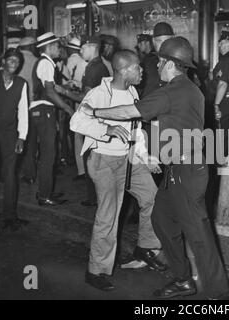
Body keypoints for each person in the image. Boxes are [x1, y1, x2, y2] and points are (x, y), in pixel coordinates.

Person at [81, 37, 229, 300]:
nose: (157, 66)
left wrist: (95, 112)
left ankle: (219, 293)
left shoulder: (172, 91)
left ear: (171, 64)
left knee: (199, 233)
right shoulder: (190, 88)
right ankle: (183, 278)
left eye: (160, 61)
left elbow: (130, 111)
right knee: (161, 219)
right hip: (177, 168)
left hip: (187, 170)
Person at [70, 49, 166, 291]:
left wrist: (147, 157)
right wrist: (106, 130)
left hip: (129, 158)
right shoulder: (98, 93)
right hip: (104, 161)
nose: (143, 71)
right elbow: (77, 121)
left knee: (152, 198)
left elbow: (136, 131)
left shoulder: (132, 91)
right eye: (138, 68)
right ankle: (96, 270)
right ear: (124, 71)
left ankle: (145, 247)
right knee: (108, 216)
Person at [58, 36, 110, 207]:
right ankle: (96, 196)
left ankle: (94, 198)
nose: (80, 51)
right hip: (97, 115)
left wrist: (62, 91)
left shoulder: (95, 68)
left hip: (93, 118)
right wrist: (78, 84)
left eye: (82, 48)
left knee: (91, 159)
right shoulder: (97, 65)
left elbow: (85, 97)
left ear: (91, 47)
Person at [24, 32, 73, 206]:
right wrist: (68, 108)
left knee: (46, 154)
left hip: (40, 110)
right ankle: (44, 195)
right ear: (50, 47)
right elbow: (50, 92)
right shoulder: (46, 63)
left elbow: (54, 88)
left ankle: (45, 190)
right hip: (44, 110)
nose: (59, 49)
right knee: (48, 155)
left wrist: (69, 93)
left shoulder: (45, 63)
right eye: (58, 46)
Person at [0, 48, 29, 231]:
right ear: (3, 61)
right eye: (11, 60)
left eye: (17, 61)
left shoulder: (21, 84)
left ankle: (9, 215)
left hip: (10, 133)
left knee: (10, 174)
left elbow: (23, 112)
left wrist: (21, 137)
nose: (14, 64)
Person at [65, 37, 87, 181]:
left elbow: (74, 84)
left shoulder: (74, 60)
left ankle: (81, 170)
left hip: (80, 101)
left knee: (78, 135)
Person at [17, 37, 38, 185]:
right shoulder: (37, 61)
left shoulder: (14, 60)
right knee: (30, 141)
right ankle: (30, 173)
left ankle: (13, 172)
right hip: (33, 105)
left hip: (14, 107)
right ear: (31, 46)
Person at [213, 31, 229, 157]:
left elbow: (223, 84)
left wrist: (216, 105)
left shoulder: (226, 60)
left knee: (223, 136)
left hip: (225, 102)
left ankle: (224, 165)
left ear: (228, 43)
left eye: (221, 43)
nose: (219, 46)